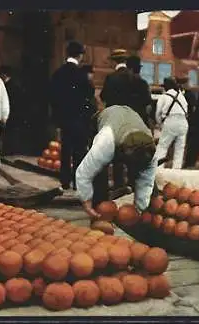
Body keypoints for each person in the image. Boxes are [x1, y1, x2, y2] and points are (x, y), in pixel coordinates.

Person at [75, 105, 157, 217]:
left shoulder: (150, 152)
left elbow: (146, 180)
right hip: (106, 119)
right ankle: (99, 210)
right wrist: (86, 201)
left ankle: (124, 193)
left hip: (130, 117)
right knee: (99, 173)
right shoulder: (105, 142)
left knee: (139, 174)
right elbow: (84, 173)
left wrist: (139, 209)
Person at [49, 41, 96, 190]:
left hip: (64, 119)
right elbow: (90, 95)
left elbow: (53, 98)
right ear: (80, 55)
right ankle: (77, 182)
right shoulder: (82, 75)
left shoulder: (57, 73)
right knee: (79, 151)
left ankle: (64, 181)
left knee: (65, 150)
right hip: (80, 119)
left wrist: (57, 118)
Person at [100, 49, 135, 190]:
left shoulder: (111, 78)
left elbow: (103, 97)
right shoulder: (133, 78)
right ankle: (131, 182)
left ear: (114, 61)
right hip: (130, 119)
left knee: (116, 153)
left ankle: (118, 184)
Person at [154, 77, 189, 169]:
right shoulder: (181, 95)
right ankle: (176, 170)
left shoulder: (164, 96)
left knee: (163, 146)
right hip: (183, 122)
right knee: (180, 148)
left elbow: (158, 113)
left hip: (170, 121)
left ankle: (159, 169)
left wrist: (160, 124)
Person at [0, 65, 25, 156]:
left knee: (9, 139)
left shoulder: (9, 87)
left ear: (4, 75)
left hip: (11, 116)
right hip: (13, 116)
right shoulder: (14, 85)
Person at [126, 55, 153, 130]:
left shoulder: (124, 82)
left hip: (126, 118)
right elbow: (148, 104)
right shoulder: (143, 83)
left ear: (130, 69)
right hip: (141, 118)